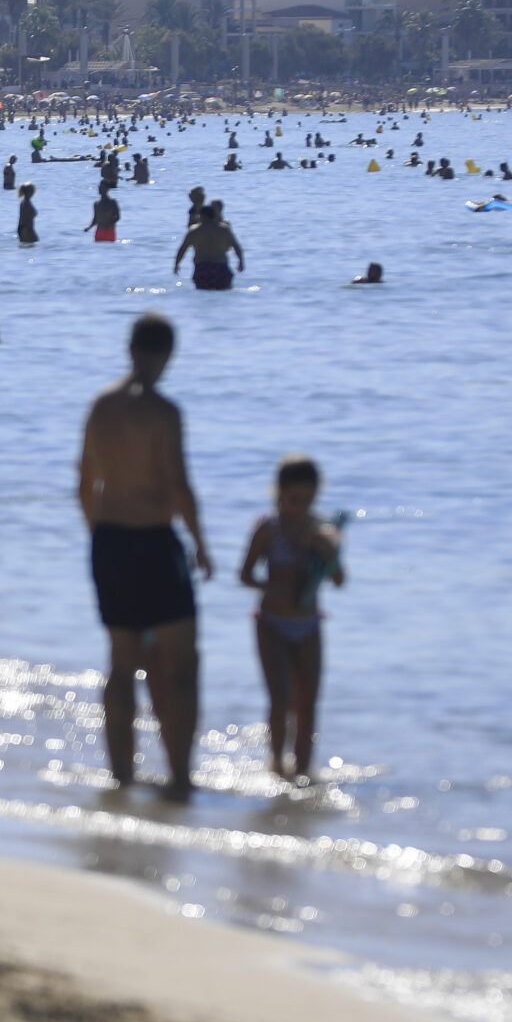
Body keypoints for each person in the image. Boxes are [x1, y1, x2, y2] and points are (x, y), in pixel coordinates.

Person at [76, 314, 212, 800]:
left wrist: (100, 536)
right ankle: (179, 775)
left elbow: (85, 483)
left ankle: (121, 776)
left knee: (121, 660)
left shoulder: (101, 407)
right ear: (167, 355)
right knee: (181, 663)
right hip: (154, 541)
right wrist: (201, 544)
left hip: (110, 541)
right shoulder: (163, 413)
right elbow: (178, 485)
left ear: (129, 348)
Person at [238, 455, 344, 784]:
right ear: (279, 493)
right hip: (271, 622)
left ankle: (302, 772)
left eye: (309, 499)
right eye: (294, 499)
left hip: (309, 624)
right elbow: (245, 575)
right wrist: (271, 586)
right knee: (281, 699)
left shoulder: (323, 531)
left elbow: (339, 580)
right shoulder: (267, 529)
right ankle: (276, 765)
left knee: (308, 703)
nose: (300, 507)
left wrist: (327, 551)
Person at [173, 198, 243, 290]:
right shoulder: (224, 229)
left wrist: (177, 264)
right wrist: (241, 262)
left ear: (201, 216)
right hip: (221, 267)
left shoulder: (194, 231)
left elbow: (183, 249)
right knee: (224, 291)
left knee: (203, 292)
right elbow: (236, 246)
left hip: (202, 268)